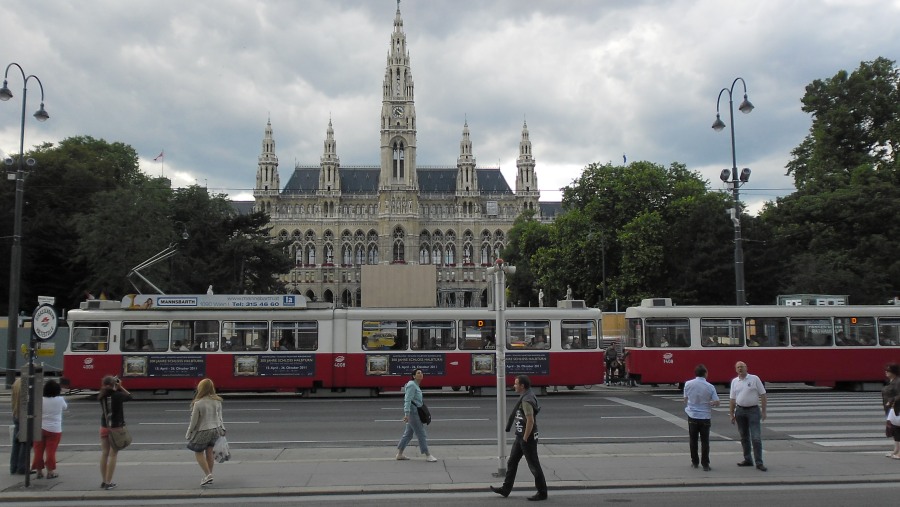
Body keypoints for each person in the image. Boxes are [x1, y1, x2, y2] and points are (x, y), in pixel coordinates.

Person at [491, 375, 548, 501]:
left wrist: (526, 437)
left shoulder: (526, 400)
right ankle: (505, 489)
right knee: (512, 462)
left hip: (526, 437)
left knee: (534, 465)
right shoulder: (527, 395)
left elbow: (530, 421)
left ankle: (542, 492)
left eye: (516, 384)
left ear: (522, 386)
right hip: (520, 435)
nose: (514, 386)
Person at [185, 378, 226, 486]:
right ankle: (209, 474)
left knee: (198, 453)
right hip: (216, 429)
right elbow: (220, 418)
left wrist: (188, 433)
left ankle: (208, 475)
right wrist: (223, 429)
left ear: (200, 388)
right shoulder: (217, 401)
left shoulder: (198, 403)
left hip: (203, 430)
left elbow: (194, 421)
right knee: (209, 452)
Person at [729, 361, 768, 471]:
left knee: (756, 437)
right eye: (738, 367)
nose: (740, 369)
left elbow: (763, 395)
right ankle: (748, 459)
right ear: (736, 369)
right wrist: (731, 414)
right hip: (740, 410)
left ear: (746, 368)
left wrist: (764, 411)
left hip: (753, 410)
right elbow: (732, 399)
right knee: (744, 437)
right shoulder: (734, 381)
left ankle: (759, 462)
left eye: (742, 367)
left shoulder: (754, 379)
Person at [683, 364, 720, 471]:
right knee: (705, 441)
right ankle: (705, 464)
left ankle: (694, 462)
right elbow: (717, 402)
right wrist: (710, 403)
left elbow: (685, 399)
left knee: (693, 440)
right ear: (705, 373)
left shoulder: (688, 384)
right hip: (705, 416)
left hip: (692, 415)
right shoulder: (710, 386)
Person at [98, 375, 132, 490]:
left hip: (104, 426)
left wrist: (114, 386)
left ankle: (103, 481)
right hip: (116, 428)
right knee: (113, 454)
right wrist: (120, 387)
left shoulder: (101, 396)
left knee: (104, 453)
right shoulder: (117, 395)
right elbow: (130, 397)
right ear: (114, 384)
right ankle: (109, 482)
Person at [396, 369, 437, 462]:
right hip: (413, 414)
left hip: (415, 412)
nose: (421, 374)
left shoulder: (415, 385)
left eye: (421, 373)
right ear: (414, 376)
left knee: (408, 434)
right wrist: (406, 414)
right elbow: (407, 400)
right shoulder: (411, 385)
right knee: (421, 434)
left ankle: (399, 454)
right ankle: (427, 455)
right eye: (418, 373)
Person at [31, 380, 68, 479]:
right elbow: (65, 407)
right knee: (51, 451)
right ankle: (50, 471)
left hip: (40, 427)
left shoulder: (40, 400)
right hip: (54, 429)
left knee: (38, 450)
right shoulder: (60, 399)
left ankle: (38, 471)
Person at [9, 378, 29, 475]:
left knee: (16, 442)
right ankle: (22, 467)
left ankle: (13, 467)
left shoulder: (17, 381)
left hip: (16, 414)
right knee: (25, 442)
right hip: (23, 416)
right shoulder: (26, 384)